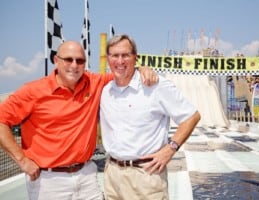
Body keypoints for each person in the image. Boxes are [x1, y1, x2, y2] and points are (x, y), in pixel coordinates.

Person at [0, 41, 158, 200]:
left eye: (80, 60)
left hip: (86, 176)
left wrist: (142, 69)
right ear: (56, 60)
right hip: (48, 181)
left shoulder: (94, 83)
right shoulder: (33, 91)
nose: (74, 65)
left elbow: (123, 73)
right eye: (68, 59)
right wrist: (21, 160)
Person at [100, 34, 201, 200]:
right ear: (108, 58)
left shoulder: (155, 86)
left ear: (135, 58)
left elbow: (191, 116)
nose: (120, 61)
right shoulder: (105, 91)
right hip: (113, 176)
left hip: (145, 177)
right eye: (114, 55)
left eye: (125, 55)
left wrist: (170, 149)